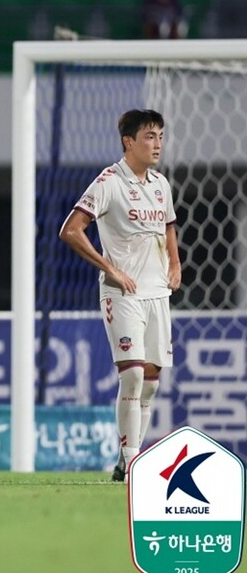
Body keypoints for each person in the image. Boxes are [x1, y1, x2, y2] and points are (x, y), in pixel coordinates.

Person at [59, 109, 181, 481]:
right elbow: (71, 229)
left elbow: (168, 226)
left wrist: (175, 264)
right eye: (149, 136)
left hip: (157, 293)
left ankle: (126, 460)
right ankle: (132, 461)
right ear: (129, 141)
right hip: (122, 293)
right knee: (132, 376)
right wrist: (109, 268)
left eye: (160, 136)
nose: (157, 143)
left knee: (152, 383)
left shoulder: (160, 184)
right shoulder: (109, 182)